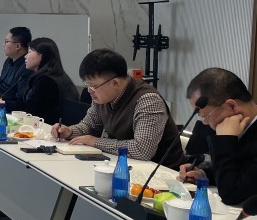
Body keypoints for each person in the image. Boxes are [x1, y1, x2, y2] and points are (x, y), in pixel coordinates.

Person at [51, 49, 184, 169]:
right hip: (124, 166)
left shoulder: (147, 100)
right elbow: (90, 126)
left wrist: (96, 142)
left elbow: (142, 150)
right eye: (87, 84)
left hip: (161, 173)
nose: (89, 91)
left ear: (115, 83)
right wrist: (69, 131)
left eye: (93, 86)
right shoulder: (102, 96)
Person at [178, 68, 257, 205]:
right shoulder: (242, 128)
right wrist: (205, 175)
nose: (204, 122)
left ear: (231, 106)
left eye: (205, 115)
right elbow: (241, 172)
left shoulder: (232, 133)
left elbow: (231, 194)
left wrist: (225, 139)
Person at [21, 37, 79, 124]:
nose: (25, 56)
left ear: (42, 55)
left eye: (29, 52)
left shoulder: (46, 81)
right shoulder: (56, 75)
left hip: (50, 128)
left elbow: (33, 111)